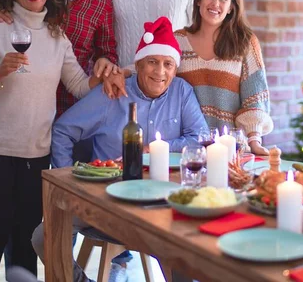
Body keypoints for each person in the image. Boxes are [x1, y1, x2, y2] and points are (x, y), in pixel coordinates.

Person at [0, 0, 105, 281]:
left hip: (35, 152)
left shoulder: (57, 36)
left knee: (25, 233)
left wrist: (107, 71)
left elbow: (81, 87)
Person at [32, 16, 207, 282]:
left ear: (175, 69)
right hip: (105, 200)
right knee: (42, 237)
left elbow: (200, 138)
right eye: (152, 62)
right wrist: (67, 178)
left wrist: (157, 148)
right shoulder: (112, 94)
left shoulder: (182, 93)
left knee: (180, 245)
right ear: (137, 64)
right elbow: (63, 130)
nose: (160, 72)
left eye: (168, 64)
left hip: (161, 201)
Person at [174, 0, 273, 156]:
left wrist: (254, 141)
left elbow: (255, 99)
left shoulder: (245, 43)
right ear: (198, 0)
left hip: (231, 151)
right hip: (188, 150)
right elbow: (158, 78)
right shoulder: (177, 40)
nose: (215, 4)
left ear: (230, 8)